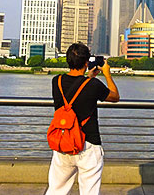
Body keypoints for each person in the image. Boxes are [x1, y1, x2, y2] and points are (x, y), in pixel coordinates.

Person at [45, 43, 119, 195]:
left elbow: (76, 86)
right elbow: (115, 96)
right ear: (87, 62)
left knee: (56, 190)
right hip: (88, 145)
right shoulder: (93, 85)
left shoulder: (56, 81)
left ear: (68, 60)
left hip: (63, 142)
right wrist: (107, 74)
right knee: (89, 190)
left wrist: (89, 77)